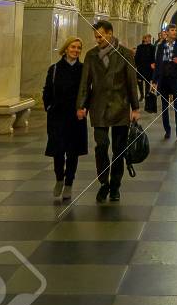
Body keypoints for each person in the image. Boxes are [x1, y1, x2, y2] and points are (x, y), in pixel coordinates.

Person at [77, 20, 140, 202]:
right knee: (101, 146)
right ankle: (104, 181)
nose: (98, 40)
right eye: (96, 36)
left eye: (101, 36)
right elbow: (85, 83)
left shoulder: (126, 54)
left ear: (110, 34)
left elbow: (131, 83)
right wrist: (81, 105)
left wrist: (135, 108)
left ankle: (115, 186)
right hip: (98, 108)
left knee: (119, 150)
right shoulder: (91, 56)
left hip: (120, 108)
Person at [43, 36, 87, 201]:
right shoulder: (54, 69)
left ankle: (69, 182)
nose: (76, 50)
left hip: (75, 116)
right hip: (57, 116)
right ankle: (59, 178)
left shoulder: (83, 69)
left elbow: (87, 92)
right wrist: (48, 106)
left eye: (78, 48)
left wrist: (83, 108)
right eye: (73, 47)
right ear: (66, 49)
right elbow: (47, 90)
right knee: (58, 151)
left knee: (73, 152)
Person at [152, 23, 177, 141]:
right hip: (163, 79)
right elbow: (157, 65)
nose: (174, 32)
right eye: (172, 30)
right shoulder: (160, 46)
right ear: (166, 32)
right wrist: (154, 80)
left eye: (175, 30)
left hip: (175, 78)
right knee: (165, 106)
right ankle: (167, 129)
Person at [134, 33, 156, 111]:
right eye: (148, 38)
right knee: (139, 81)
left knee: (147, 82)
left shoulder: (152, 47)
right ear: (144, 39)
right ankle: (142, 95)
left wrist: (153, 64)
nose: (149, 39)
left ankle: (146, 94)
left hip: (149, 67)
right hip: (141, 67)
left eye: (150, 38)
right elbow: (137, 56)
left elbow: (153, 57)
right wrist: (136, 65)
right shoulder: (139, 47)